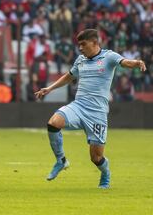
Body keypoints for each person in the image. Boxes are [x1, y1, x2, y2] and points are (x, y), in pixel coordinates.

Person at [35, 29, 146, 189]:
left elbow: (125, 62)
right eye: (79, 45)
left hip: (97, 113)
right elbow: (69, 76)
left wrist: (136, 63)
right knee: (53, 122)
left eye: (83, 44)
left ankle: (105, 173)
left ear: (94, 43)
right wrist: (50, 88)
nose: (80, 48)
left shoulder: (109, 57)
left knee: (96, 157)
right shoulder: (80, 60)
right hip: (78, 106)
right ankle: (61, 160)